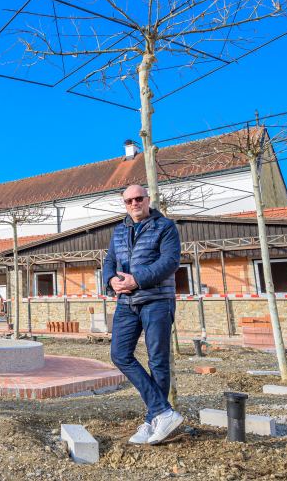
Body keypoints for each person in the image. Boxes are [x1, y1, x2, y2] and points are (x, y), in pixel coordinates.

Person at [102, 184, 183, 445]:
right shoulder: (119, 230)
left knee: (157, 360)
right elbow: (108, 262)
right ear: (124, 204)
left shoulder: (165, 227)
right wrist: (110, 281)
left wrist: (137, 280)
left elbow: (170, 262)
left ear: (148, 199)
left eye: (139, 198)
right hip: (126, 302)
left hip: (157, 301)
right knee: (119, 354)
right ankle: (162, 413)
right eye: (129, 201)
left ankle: (154, 419)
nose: (134, 203)